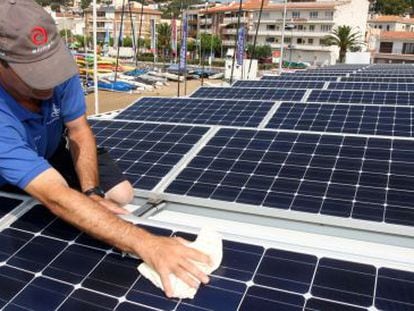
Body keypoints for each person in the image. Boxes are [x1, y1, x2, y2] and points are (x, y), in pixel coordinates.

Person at [0, 0, 211, 297]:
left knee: (121, 195)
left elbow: (79, 130)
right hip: (8, 169)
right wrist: (147, 243)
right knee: (44, 219)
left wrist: (91, 193)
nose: (49, 83)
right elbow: (55, 195)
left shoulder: (58, 69)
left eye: (51, 67)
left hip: (50, 148)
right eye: (35, 74)